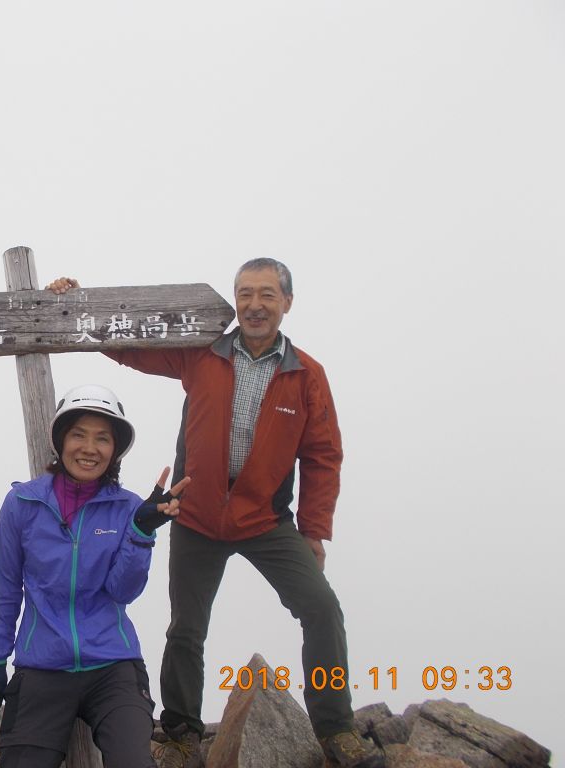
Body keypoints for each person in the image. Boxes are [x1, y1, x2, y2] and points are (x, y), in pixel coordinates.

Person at [47, 263, 385, 768]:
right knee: (186, 628)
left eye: (267, 295)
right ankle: (181, 733)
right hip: (196, 516)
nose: (254, 304)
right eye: (245, 294)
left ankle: (336, 728)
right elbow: (136, 346)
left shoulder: (306, 375)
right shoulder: (203, 351)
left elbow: (322, 456)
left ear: (286, 302)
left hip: (266, 521)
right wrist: (79, 306)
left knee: (321, 609)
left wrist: (315, 531)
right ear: (234, 301)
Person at [0, 384, 191, 768]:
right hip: (41, 667)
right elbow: (7, 590)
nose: (89, 448)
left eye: (102, 439)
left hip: (113, 666)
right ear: (61, 441)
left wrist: (142, 532)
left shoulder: (128, 507)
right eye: (78, 435)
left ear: (115, 450)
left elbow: (122, 591)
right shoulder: (22, 503)